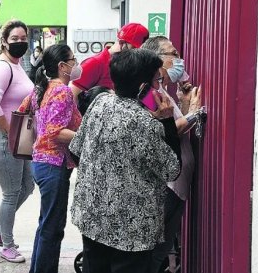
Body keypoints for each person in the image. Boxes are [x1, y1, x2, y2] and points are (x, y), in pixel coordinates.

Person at [69, 48, 181, 273]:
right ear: (143, 87)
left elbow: (75, 150)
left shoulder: (100, 102)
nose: (158, 85)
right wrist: (168, 122)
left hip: (92, 217)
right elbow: (172, 170)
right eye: (156, 80)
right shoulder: (145, 123)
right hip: (132, 230)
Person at [18, 44, 82, 273]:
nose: (76, 65)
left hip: (40, 162)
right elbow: (56, 131)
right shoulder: (62, 91)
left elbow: (22, 109)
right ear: (62, 66)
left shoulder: (40, 90)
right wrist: (87, 137)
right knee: (53, 228)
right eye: (73, 60)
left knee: (46, 225)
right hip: (54, 165)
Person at [142, 36, 202, 273]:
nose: (179, 60)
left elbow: (176, 124)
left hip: (177, 184)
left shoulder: (162, 92)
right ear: (157, 60)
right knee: (153, 252)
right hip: (166, 185)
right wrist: (195, 113)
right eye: (173, 54)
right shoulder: (147, 94)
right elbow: (164, 131)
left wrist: (186, 107)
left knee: (160, 251)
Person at [0, 19, 35, 263]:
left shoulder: (17, 64)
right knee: (11, 192)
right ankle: (6, 245)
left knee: (27, 187)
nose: (20, 42)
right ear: (4, 41)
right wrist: (9, 132)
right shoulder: (2, 67)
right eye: (15, 39)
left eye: (23, 38)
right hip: (2, 137)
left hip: (18, 137)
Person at [71, 23, 150, 98]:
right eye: (134, 50)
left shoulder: (130, 66)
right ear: (122, 43)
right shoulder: (94, 63)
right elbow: (72, 97)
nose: (137, 55)